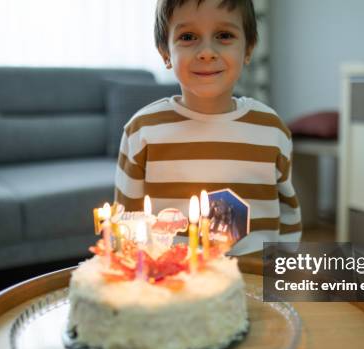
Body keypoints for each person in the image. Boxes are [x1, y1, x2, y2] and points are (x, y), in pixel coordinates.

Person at [114, 0, 301, 256]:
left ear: (248, 49)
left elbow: (288, 213)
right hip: (172, 283)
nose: (206, 52)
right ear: (165, 52)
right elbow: (125, 221)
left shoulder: (271, 130)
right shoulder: (142, 131)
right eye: (188, 36)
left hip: (252, 282)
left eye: (224, 35)